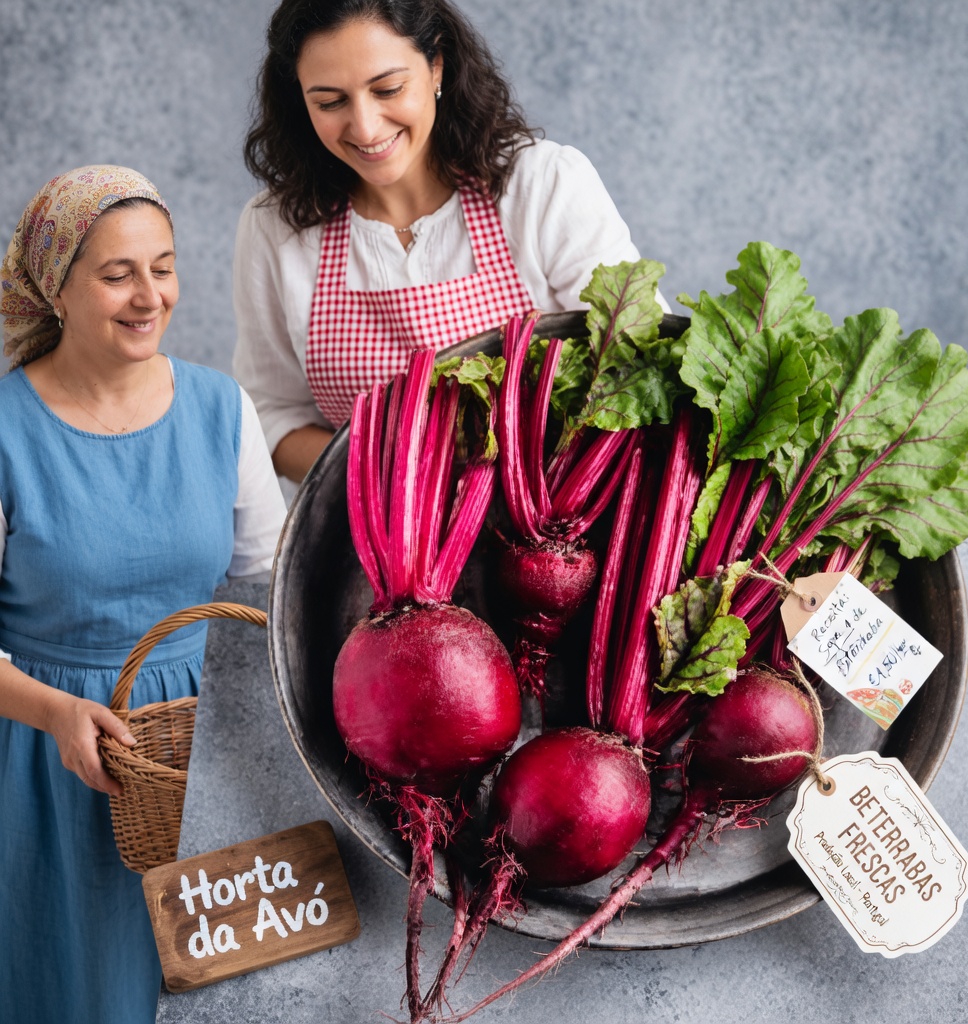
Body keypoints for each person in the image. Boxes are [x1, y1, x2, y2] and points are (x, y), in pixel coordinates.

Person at [0, 165, 286, 1024]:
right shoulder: (8, 429)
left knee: (218, 995)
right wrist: (53, 713)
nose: (148, 296)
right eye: (117, 274)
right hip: (46, 759)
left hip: (203, 753)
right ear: (56, 288)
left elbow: (271, 588)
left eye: (162, 267)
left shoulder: (221, 409)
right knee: (73, 988)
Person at [234, 0, 661, 483]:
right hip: (371, 547)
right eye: (330, 102)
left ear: (437, 64)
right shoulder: (277, 227)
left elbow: (639, 368)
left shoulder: (543, 186)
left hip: (560, 534)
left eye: (388, 88)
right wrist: (393, 477)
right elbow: (269, 415)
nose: (366, 127)